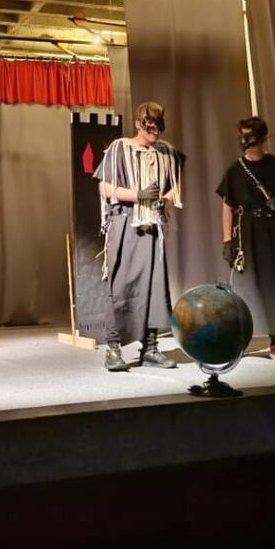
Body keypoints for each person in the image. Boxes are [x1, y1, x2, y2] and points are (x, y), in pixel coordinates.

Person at [93, 102, 185, 372]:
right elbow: (104, 187)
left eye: (158, 129)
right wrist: (138, 195)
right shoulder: (119, 148)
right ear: (138, 124)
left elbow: (174, 188)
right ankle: (113, 348)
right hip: (126, 223)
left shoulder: (166, 152)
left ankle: (151, 348)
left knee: (155, 286)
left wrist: (164, 202)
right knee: (121, 286)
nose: (155, 133)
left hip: (152, 226)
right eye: (150, 128)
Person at [217, 116, 275, 361]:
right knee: (245, 286)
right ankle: (239, 341)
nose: (247, 142)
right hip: (247, 232)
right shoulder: (235, 171)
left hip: (274, 229)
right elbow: (228, 206)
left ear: (263, 138)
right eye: (244, 136)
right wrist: (227, 240)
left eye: (251, 136)